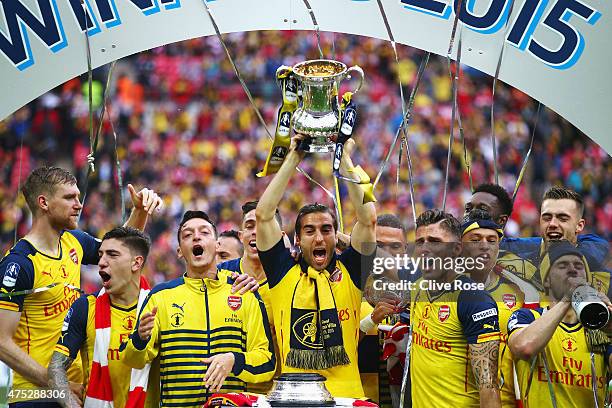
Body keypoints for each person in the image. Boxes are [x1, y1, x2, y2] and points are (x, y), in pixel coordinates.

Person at [0, 166, 163, 407]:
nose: (78, 204)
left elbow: (121, 255)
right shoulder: (19, 264)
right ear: (44, 202)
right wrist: (57, 385)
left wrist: (139, 211)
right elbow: (2, 342)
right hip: (36, 395)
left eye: (78, 196)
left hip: (78, 388)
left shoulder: (73, 241)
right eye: (69, 198)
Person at [256, 135, 376, 398]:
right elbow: (263, 215)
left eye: (326, 230)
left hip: (348, 398)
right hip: (296, 398)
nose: (319, 238)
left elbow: (368, 219)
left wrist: (344, 158)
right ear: (298, 239)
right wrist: (293, 158)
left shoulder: (352, 271)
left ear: (336, 235)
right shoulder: (282, 273)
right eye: (310, 231)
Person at [122, 210, 275, 406]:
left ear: (216, 244)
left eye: (204, 232)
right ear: (179, 251)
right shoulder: (160, 297)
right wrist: (140, 339)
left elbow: (267, 363)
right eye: (187, 235)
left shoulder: (244, 292)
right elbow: (133, 360)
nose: (196, 236)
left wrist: (234, 360)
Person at [48, 227, 158, 408]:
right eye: (100, 254)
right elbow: (56, 368)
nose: (101, 262)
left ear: (136, 263)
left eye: (112, 255)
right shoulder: (85, 307)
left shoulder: (158, 307)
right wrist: (70, 403)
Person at [409, 209, 501, 408]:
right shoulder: (417, 288)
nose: (424, 249)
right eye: (419, 242)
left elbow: (489, 386)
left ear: (457, 249)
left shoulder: (474, 301)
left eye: (434, 241)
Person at [508, 241, 612, 407]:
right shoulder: (526, 317)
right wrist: (567, 299)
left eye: (579, 266)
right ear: (547, 280)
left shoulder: (598, 330)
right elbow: (524, 347)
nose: (573, 269)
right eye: (563, 265)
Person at [461, 209, 539, 407]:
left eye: (491, 240)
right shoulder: (445, 291)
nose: (484, 246)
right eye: (475, 239)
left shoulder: (521, 291)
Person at [216, 200, 286, 394]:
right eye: (249, 226)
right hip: (230, 390)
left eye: (265, 225)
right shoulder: (219, 276)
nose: (256, 231)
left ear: (280, 236)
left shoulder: (291, 275)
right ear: (241, 236)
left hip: (278, 391)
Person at [499, 186, 610, 297]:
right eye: (547, 218)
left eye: (562, 218)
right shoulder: (516, 256)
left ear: (579, 226)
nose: (552, 224)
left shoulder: (603, 276)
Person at [359, 214, 409, 407]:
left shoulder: (419, 292)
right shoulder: (350, 284)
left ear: (405, 250)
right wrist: (370, 320)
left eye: (394, 246)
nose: (386, 253)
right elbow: (337, 348)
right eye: (379, 246)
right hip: (363, 398)